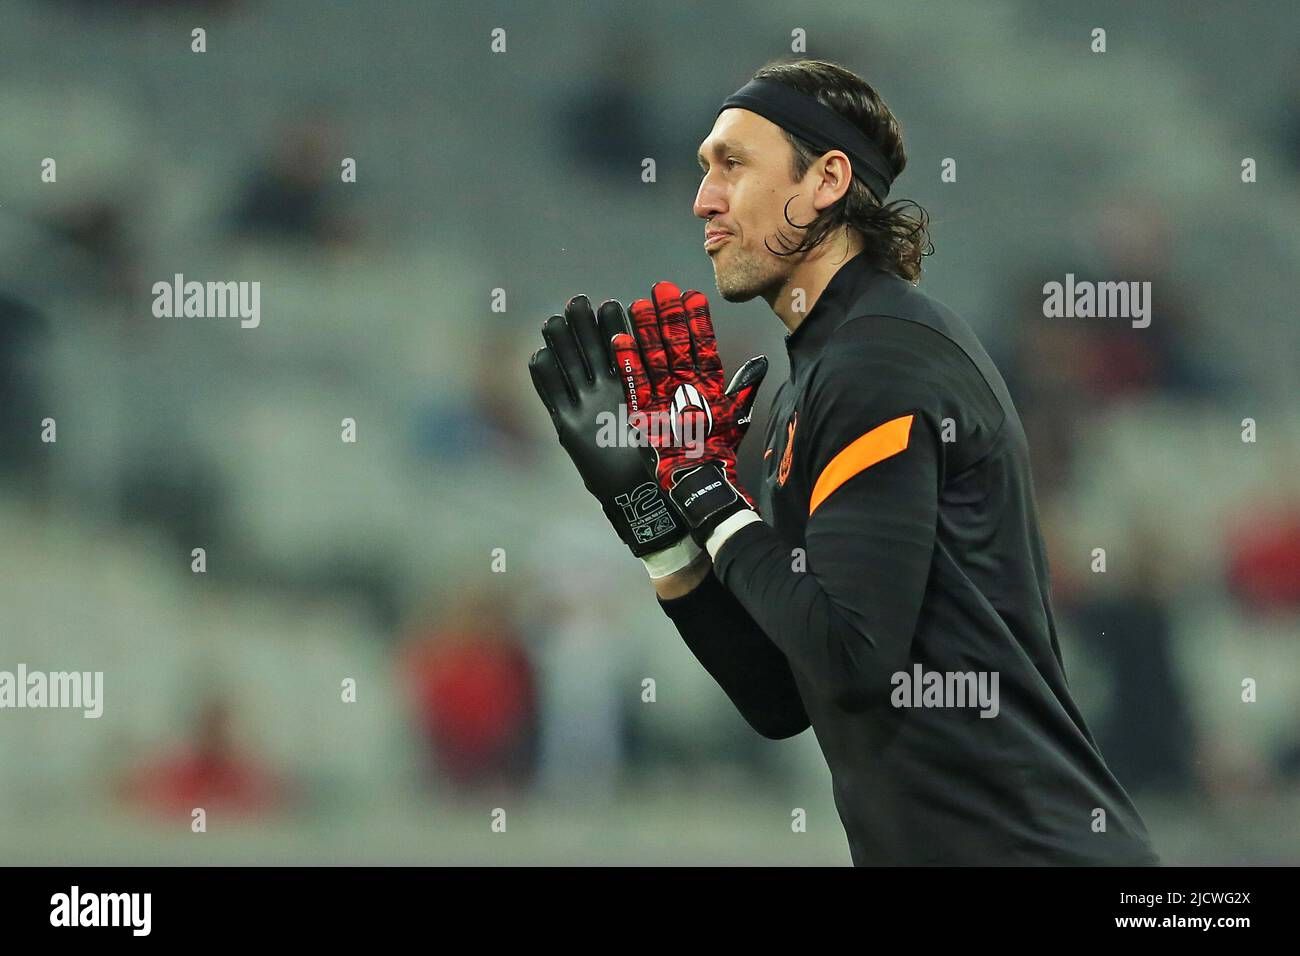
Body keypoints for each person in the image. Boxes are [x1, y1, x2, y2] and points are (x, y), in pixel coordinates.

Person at [529, 58, 1159, 866]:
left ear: (827, 180)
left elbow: (855, 660)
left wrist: (702, 486)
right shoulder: (818, 382)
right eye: (701, 171)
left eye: (733, 165)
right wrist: (654, 521)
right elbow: (783, 694)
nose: (703, 200)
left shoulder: (881, 365)